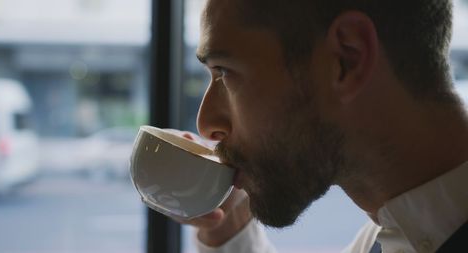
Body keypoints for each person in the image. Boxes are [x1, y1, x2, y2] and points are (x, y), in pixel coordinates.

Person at [175, 0, 468, 252]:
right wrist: (227, 228)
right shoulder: (394, 231)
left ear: (347, 59)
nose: (206, 124)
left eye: (225, 72)